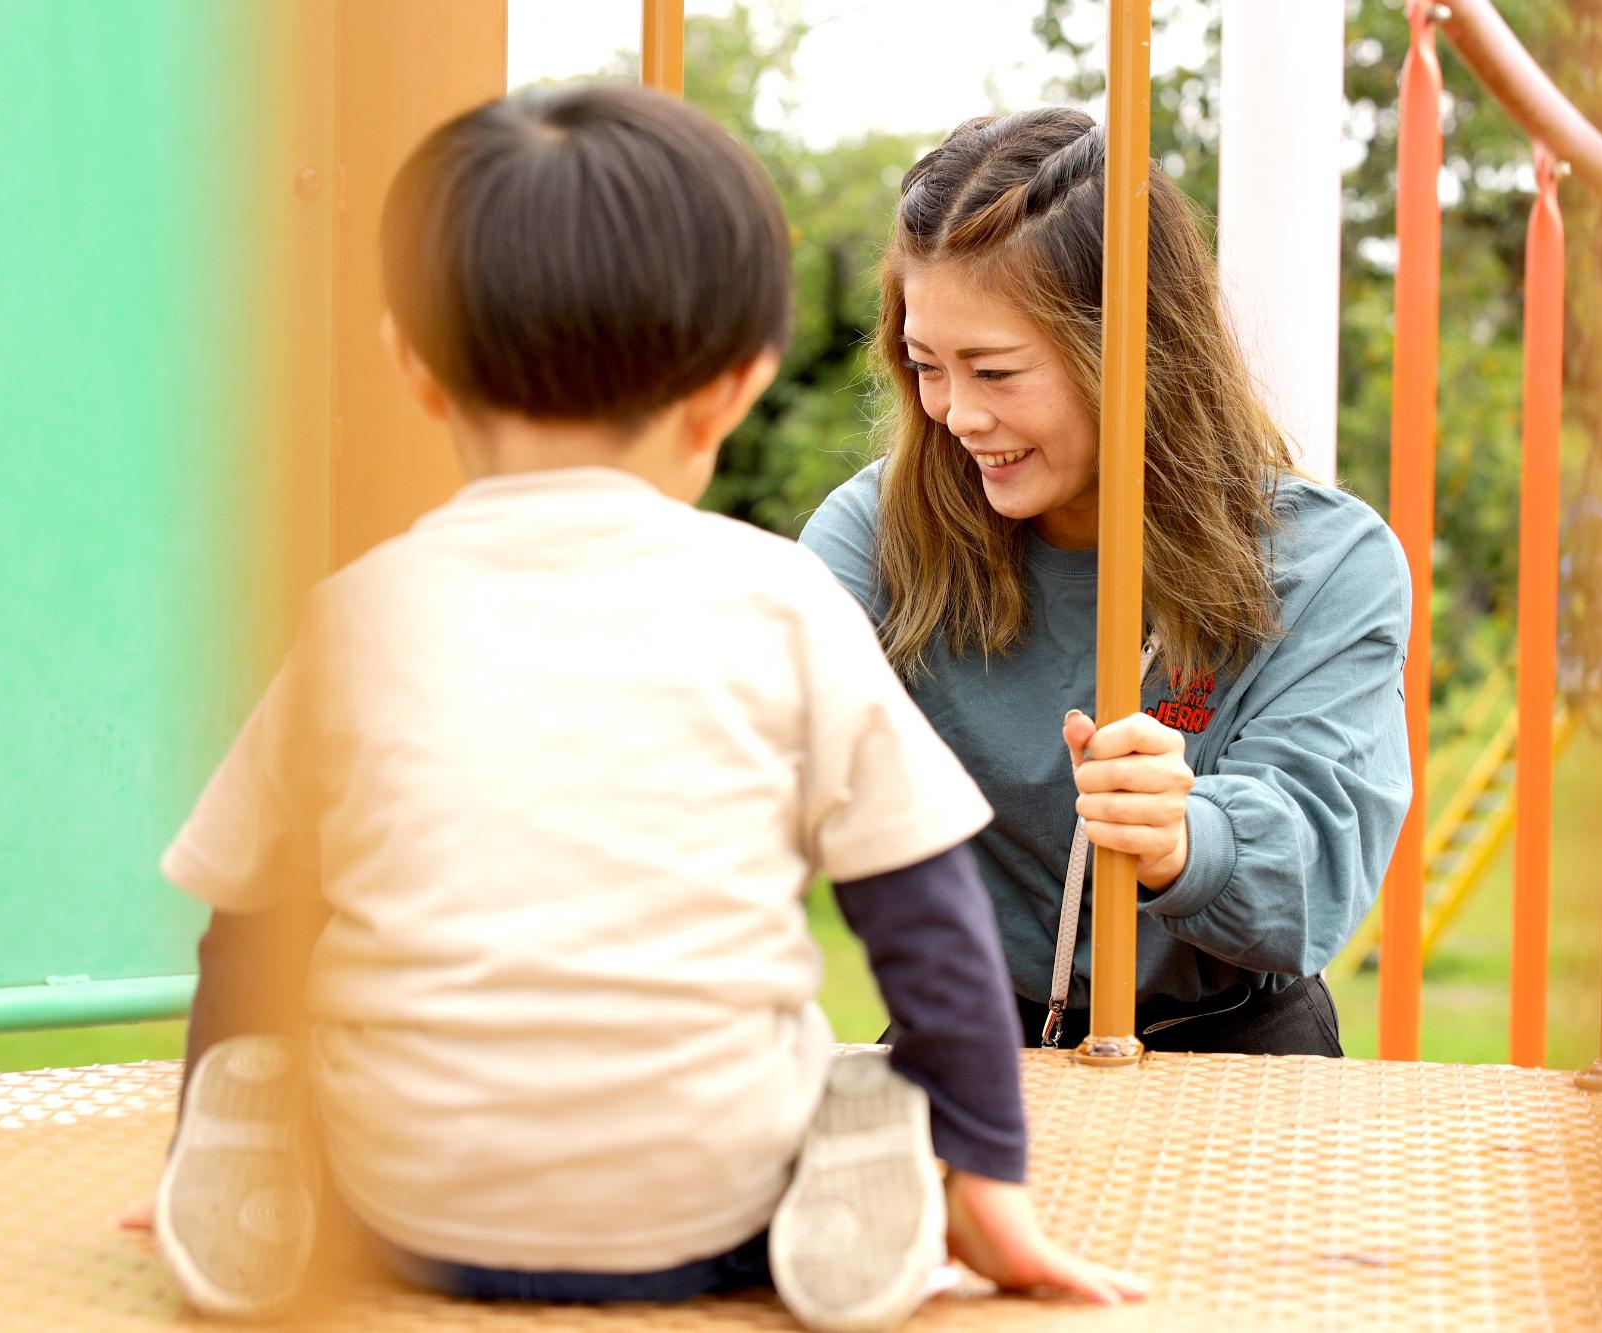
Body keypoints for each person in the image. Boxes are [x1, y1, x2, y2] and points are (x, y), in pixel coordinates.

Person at [143, 85, 1140, 1329]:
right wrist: (987, 1175)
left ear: (415, 366)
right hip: (708, 1216)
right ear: (736, 384)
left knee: (286, 1060)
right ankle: (843, 1166)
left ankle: (256, 1155)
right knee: (852, 1082)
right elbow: (928, 924)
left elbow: (250, 926)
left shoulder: (351, 616)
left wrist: (204, 1120)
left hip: (406, 1215)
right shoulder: (779, 604)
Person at [799, 107, 1412, 1055]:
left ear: (1135, 354)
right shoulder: (881, 533)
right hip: (969, 1036)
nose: (957, 414)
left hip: (1236, 1047)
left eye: (997, 371)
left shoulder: (1326, 563)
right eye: (927, 366)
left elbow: (1316, 879)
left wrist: (1185, 839)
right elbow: (763, 732)